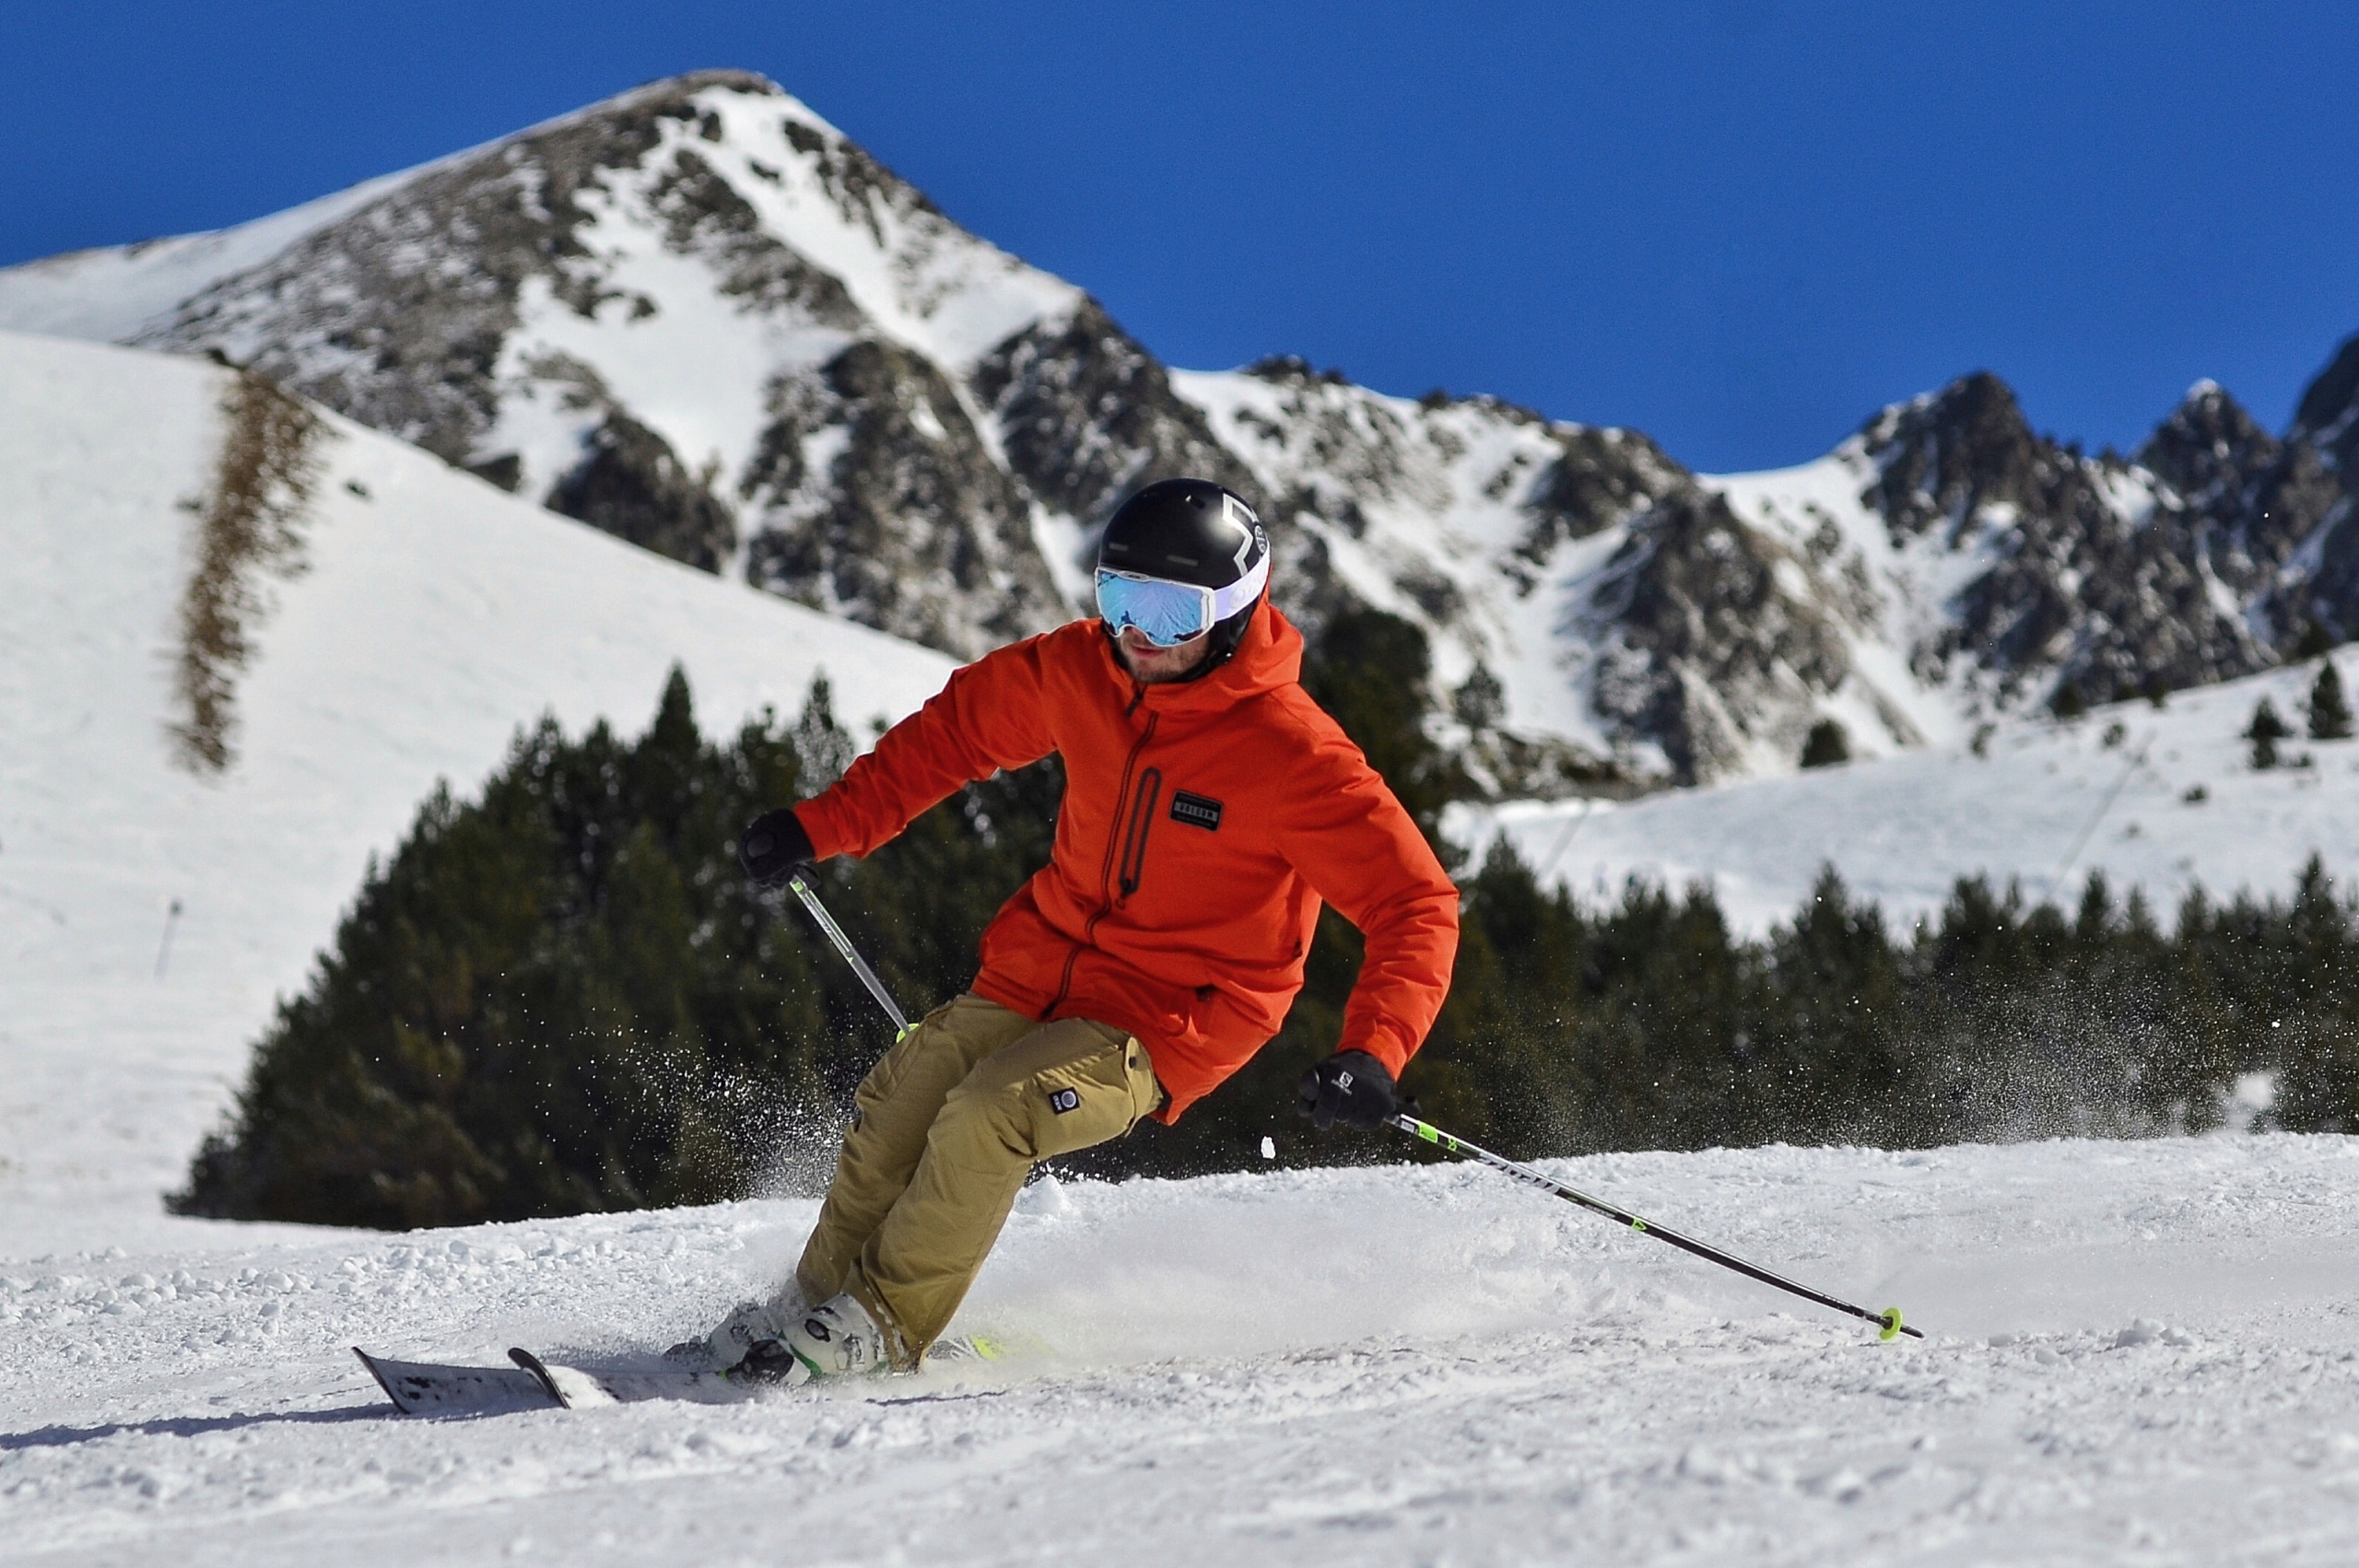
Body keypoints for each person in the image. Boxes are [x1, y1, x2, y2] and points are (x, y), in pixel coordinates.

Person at [703, 477, 1460, 1383]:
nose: (1139, 632)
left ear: (1231, 613)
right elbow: (953, 734)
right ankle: (812, 1300)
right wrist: (821, 825)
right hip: (1041, 970)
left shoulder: (1290, 753)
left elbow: (1414, 903)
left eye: (1171, 612)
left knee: (992, 1110)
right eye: (1118, 597)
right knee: (906, 1092)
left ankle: (880, 1323)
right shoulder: (1078, 670)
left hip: (1173, 1014)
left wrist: (1376, 1048)